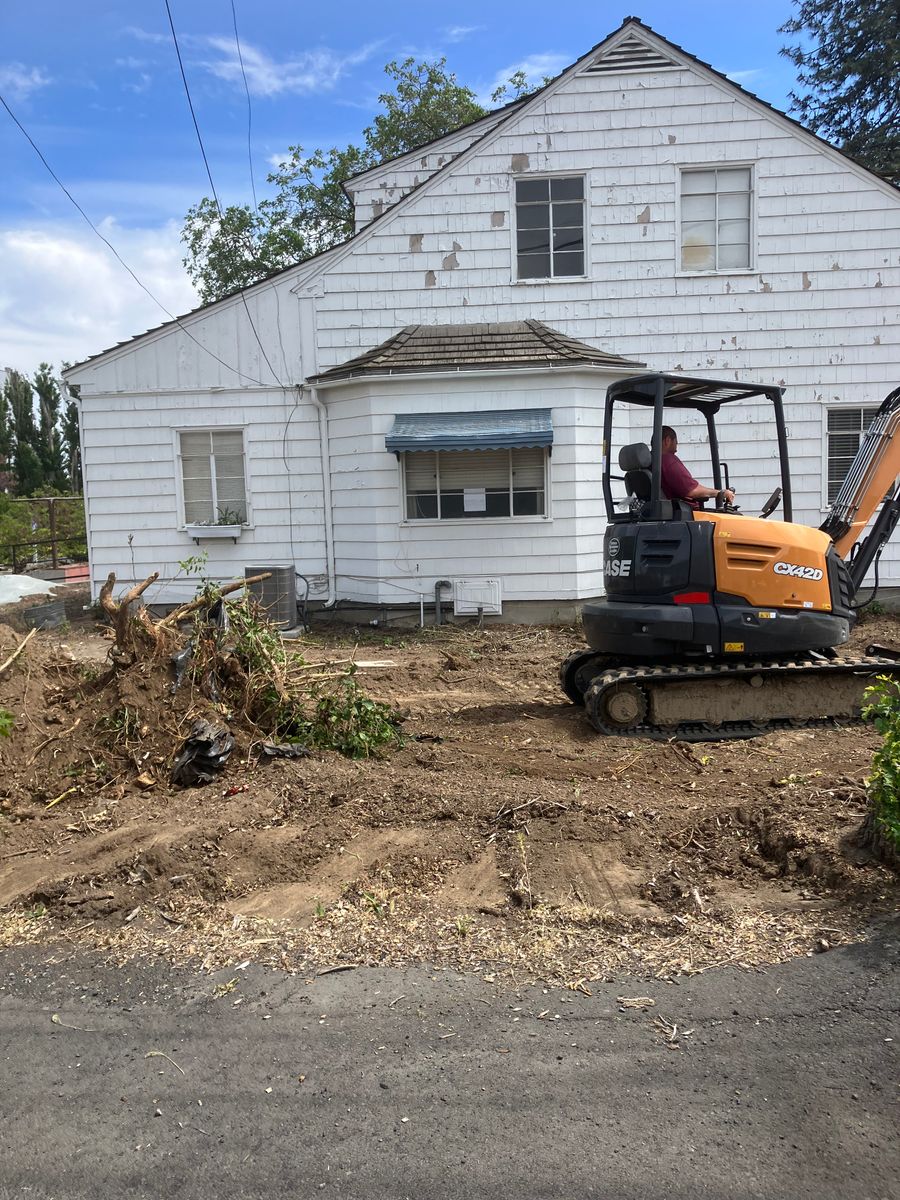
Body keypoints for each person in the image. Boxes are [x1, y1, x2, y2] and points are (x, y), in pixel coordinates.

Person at [659, 426, 735, 509]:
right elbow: (692, 491)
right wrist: (721, 493)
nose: (676, 449)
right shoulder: (669, 461)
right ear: (667, 441)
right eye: (676, 442)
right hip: (684, 512)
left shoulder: (654, 461)